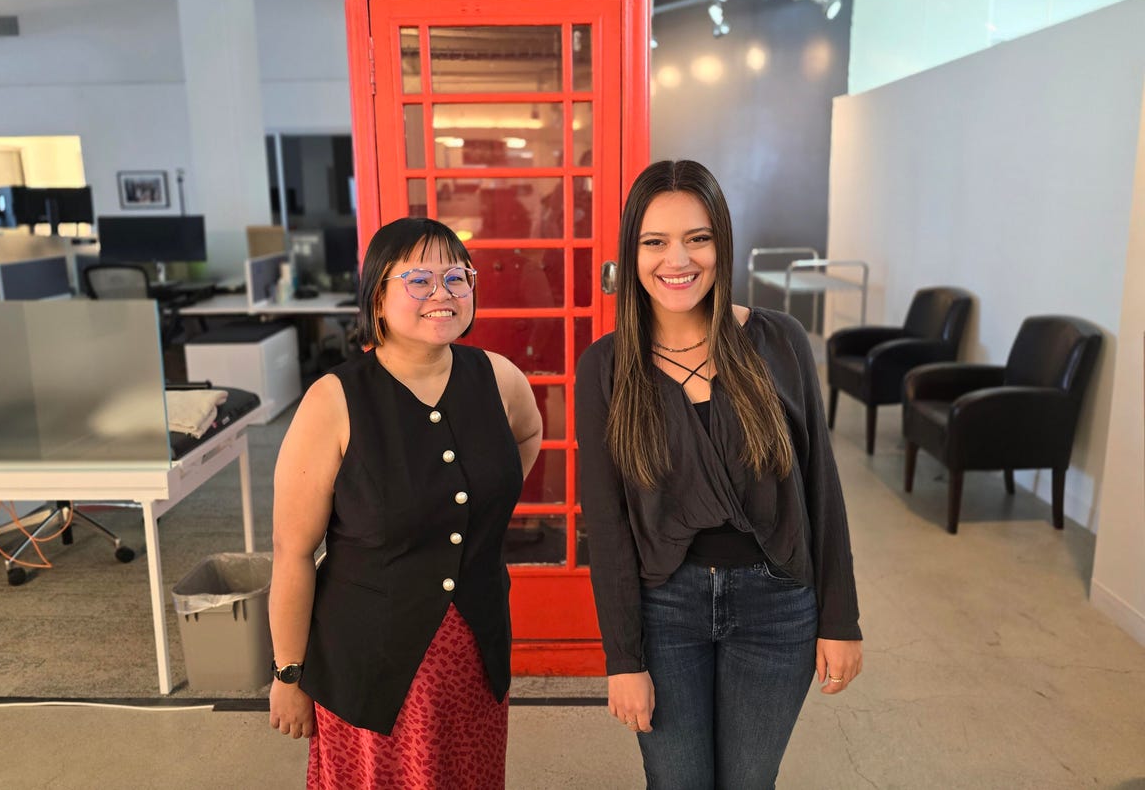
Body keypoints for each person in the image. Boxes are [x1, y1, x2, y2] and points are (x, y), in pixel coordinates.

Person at [576, 160, 863, 789]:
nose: (677, 259)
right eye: (654, 241)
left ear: (721, 245)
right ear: (632, 252)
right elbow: (607, 523)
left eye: (697, 238)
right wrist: (622, 659)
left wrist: (840, 619)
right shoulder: (605, 367)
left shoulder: (778, 341)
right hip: (665, 609)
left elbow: (821, 488)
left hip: (778, 605)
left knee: (749, 782)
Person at [268, 217, 543, 789]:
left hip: (474, 654)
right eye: (419, 280)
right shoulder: (335, 400)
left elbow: (527, 435)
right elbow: (292, 553)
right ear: (377, 294)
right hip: (368, 663)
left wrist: (469, 510)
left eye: (456, 277)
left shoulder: (499, 377)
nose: (443, 294)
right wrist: (288, 674)